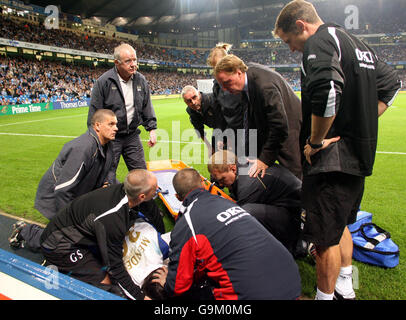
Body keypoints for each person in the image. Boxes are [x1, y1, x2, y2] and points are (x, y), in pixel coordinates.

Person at [273, 0, 401, 300]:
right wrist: (356, 129)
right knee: (340, 223)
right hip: (357, 155)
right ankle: (345, 283)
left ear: (301, 26)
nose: (292, 49)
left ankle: (324, 296)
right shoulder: (356, 43)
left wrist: (317, 140)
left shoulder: (320, 41)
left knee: (323, 238)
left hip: (330, 162)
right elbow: (391, 87)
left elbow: (329, 88)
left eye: (290, 41)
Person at [151, 168, 301, 300]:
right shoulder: (228, 203)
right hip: (292, 280)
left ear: (178, 197)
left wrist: (167, 283)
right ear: (203, 185)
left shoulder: (186, 224)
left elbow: (178, 285)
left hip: (252, 293)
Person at [9, 109, 118, 251]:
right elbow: (63, 190)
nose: (116, 128)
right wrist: (69, 223)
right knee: (67, 243)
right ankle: (25, 232)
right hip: (55, 197)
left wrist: (109, 184)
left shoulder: (109, 145)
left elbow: (110, 169)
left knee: (83, 238)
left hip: (78, 196)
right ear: (97, 126)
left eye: (116, 124)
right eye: (111, 124)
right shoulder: (83, 148)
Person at [40, 169, 159, 300]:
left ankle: (29, 234)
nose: (158, 189)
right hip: (61, 246)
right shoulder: (113, 220)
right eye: (155, 188)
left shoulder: (124, 192)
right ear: (142, 196)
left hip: (72, 229)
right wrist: (141, 297)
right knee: (105, 283)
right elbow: (115, 267)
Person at [87, 42, 164, 234]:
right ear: (117, 63)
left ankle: (148, 211)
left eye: (135, 59)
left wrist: (151, 129)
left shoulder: (141, 80)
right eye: (128, 60)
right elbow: (94, 113)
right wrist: (97, 139)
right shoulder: (104, 82)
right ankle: (115, 217)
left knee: (142, 177)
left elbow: (147, 106)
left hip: (131, 137)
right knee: (108, 177)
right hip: (110, 139)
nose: (133, 64)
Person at [214, 54, 303, 180]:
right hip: (273, 127)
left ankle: (300, 197)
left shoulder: (264, 86)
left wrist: (264, 159)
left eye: (227, 82)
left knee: (294, 173)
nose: (225, 89)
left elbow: (279, 126)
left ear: (238, 73)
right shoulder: (247, 77)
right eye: (221, 85)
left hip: (290, 127)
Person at [208, 150, 304, 256]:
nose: (221, 184)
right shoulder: (243, 165)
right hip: (289, 205)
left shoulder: (248, 185)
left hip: (298, 218)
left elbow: (235, 219)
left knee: (245, 213)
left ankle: (297, 245)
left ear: (233, 168)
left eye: (223, 179)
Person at [181, 85, 226, 155]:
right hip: (216, 129)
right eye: (189, 101)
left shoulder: (213, 100)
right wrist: (209, 147)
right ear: (185, 102)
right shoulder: (191, 111)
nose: (193, 102)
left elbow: (225, 120)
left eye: (194, 97)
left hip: (232, 127)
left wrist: (222, 139)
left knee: (234, 157)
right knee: (215, 158)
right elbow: (199, 129)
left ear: (199, 94)